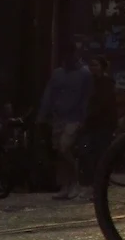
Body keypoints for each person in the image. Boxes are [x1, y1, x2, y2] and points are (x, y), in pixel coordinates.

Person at [38, 41, 92, 201]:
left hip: (74, 118)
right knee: (59, 151)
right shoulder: (58, 74)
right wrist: (42, 116)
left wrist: (84, 119)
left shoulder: (84, 74)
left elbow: (86, 98)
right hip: (58, 118)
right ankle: (65, 185)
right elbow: (49, 95)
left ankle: (75, 181)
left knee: (64, 147)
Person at [79, 56, 118, 198]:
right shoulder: (90, 82)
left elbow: (104, 104)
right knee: (89, 154)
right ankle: (93, 184)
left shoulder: (106, 83)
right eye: (91, 65)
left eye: (95, 65)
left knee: (100, 154)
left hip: (103, 124)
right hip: (92, 124)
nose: (93, 68)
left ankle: (99, 186)